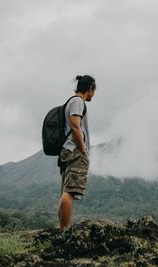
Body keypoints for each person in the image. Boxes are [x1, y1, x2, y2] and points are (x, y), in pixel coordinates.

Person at [58, 75, 96, 229]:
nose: (94, 94)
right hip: (75, 150)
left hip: (68, 150)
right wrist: (83, 149)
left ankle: (62, 229)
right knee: (70, 192)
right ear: (90, 88)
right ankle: (64, 231)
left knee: (66, 192)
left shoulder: (73, 102)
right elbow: (75, 126)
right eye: (94, 90)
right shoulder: (77, 101)